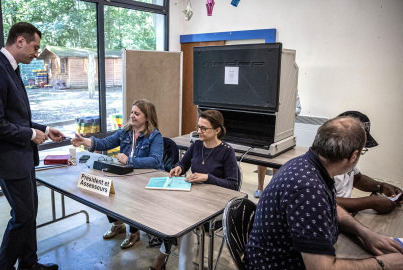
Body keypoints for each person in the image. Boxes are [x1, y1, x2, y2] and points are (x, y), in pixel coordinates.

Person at [243, 116, 403, 269]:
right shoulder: (309, 189)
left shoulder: (307, 165)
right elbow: (321, 267)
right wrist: (384, 264)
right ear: (353, 156)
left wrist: (365, 233)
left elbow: (332, 206)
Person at [0, 22, 64, 270]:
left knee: (29, 214)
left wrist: (44, 130)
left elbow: (16, 116)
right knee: (22, 216)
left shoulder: (10, 69)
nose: (36, 54)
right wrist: (29, 134)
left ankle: (28, 263)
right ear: (20, 41)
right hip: (8, 159)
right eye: (35, 47)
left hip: (21, 158)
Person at [150, 109, 239, 270]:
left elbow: (233, 185)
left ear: (217, 130)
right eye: (198, 127)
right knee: (175, 216)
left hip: (216, 205)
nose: (199, 132)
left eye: (204, 128)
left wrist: (207, 177)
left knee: (185, 224)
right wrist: (178, 168)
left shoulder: (227, 151)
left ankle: (164, 261)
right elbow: (184, 164)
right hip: (194, 198)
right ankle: (167, 261)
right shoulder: (196, 145)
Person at [71, 99, 164, 249]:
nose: (132, 116)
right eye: (132, 112)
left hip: (145, 178)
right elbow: (105, 143)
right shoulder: (125, 132)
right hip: (127, 175)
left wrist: (130, 160)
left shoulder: (155, 136)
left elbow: (155, 160)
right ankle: (118, 224)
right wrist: (85, 141)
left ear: (147, 117)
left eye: (137, 114)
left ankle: (134, 233)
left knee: (132, 198)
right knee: (106, 191)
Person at [334, 111, 402, 213]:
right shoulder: (323, 164)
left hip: (345, 215)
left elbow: (357, 179)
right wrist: (368, 203)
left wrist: (381, 186)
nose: (357, 153)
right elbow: (324, 201)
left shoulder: (349, 155)